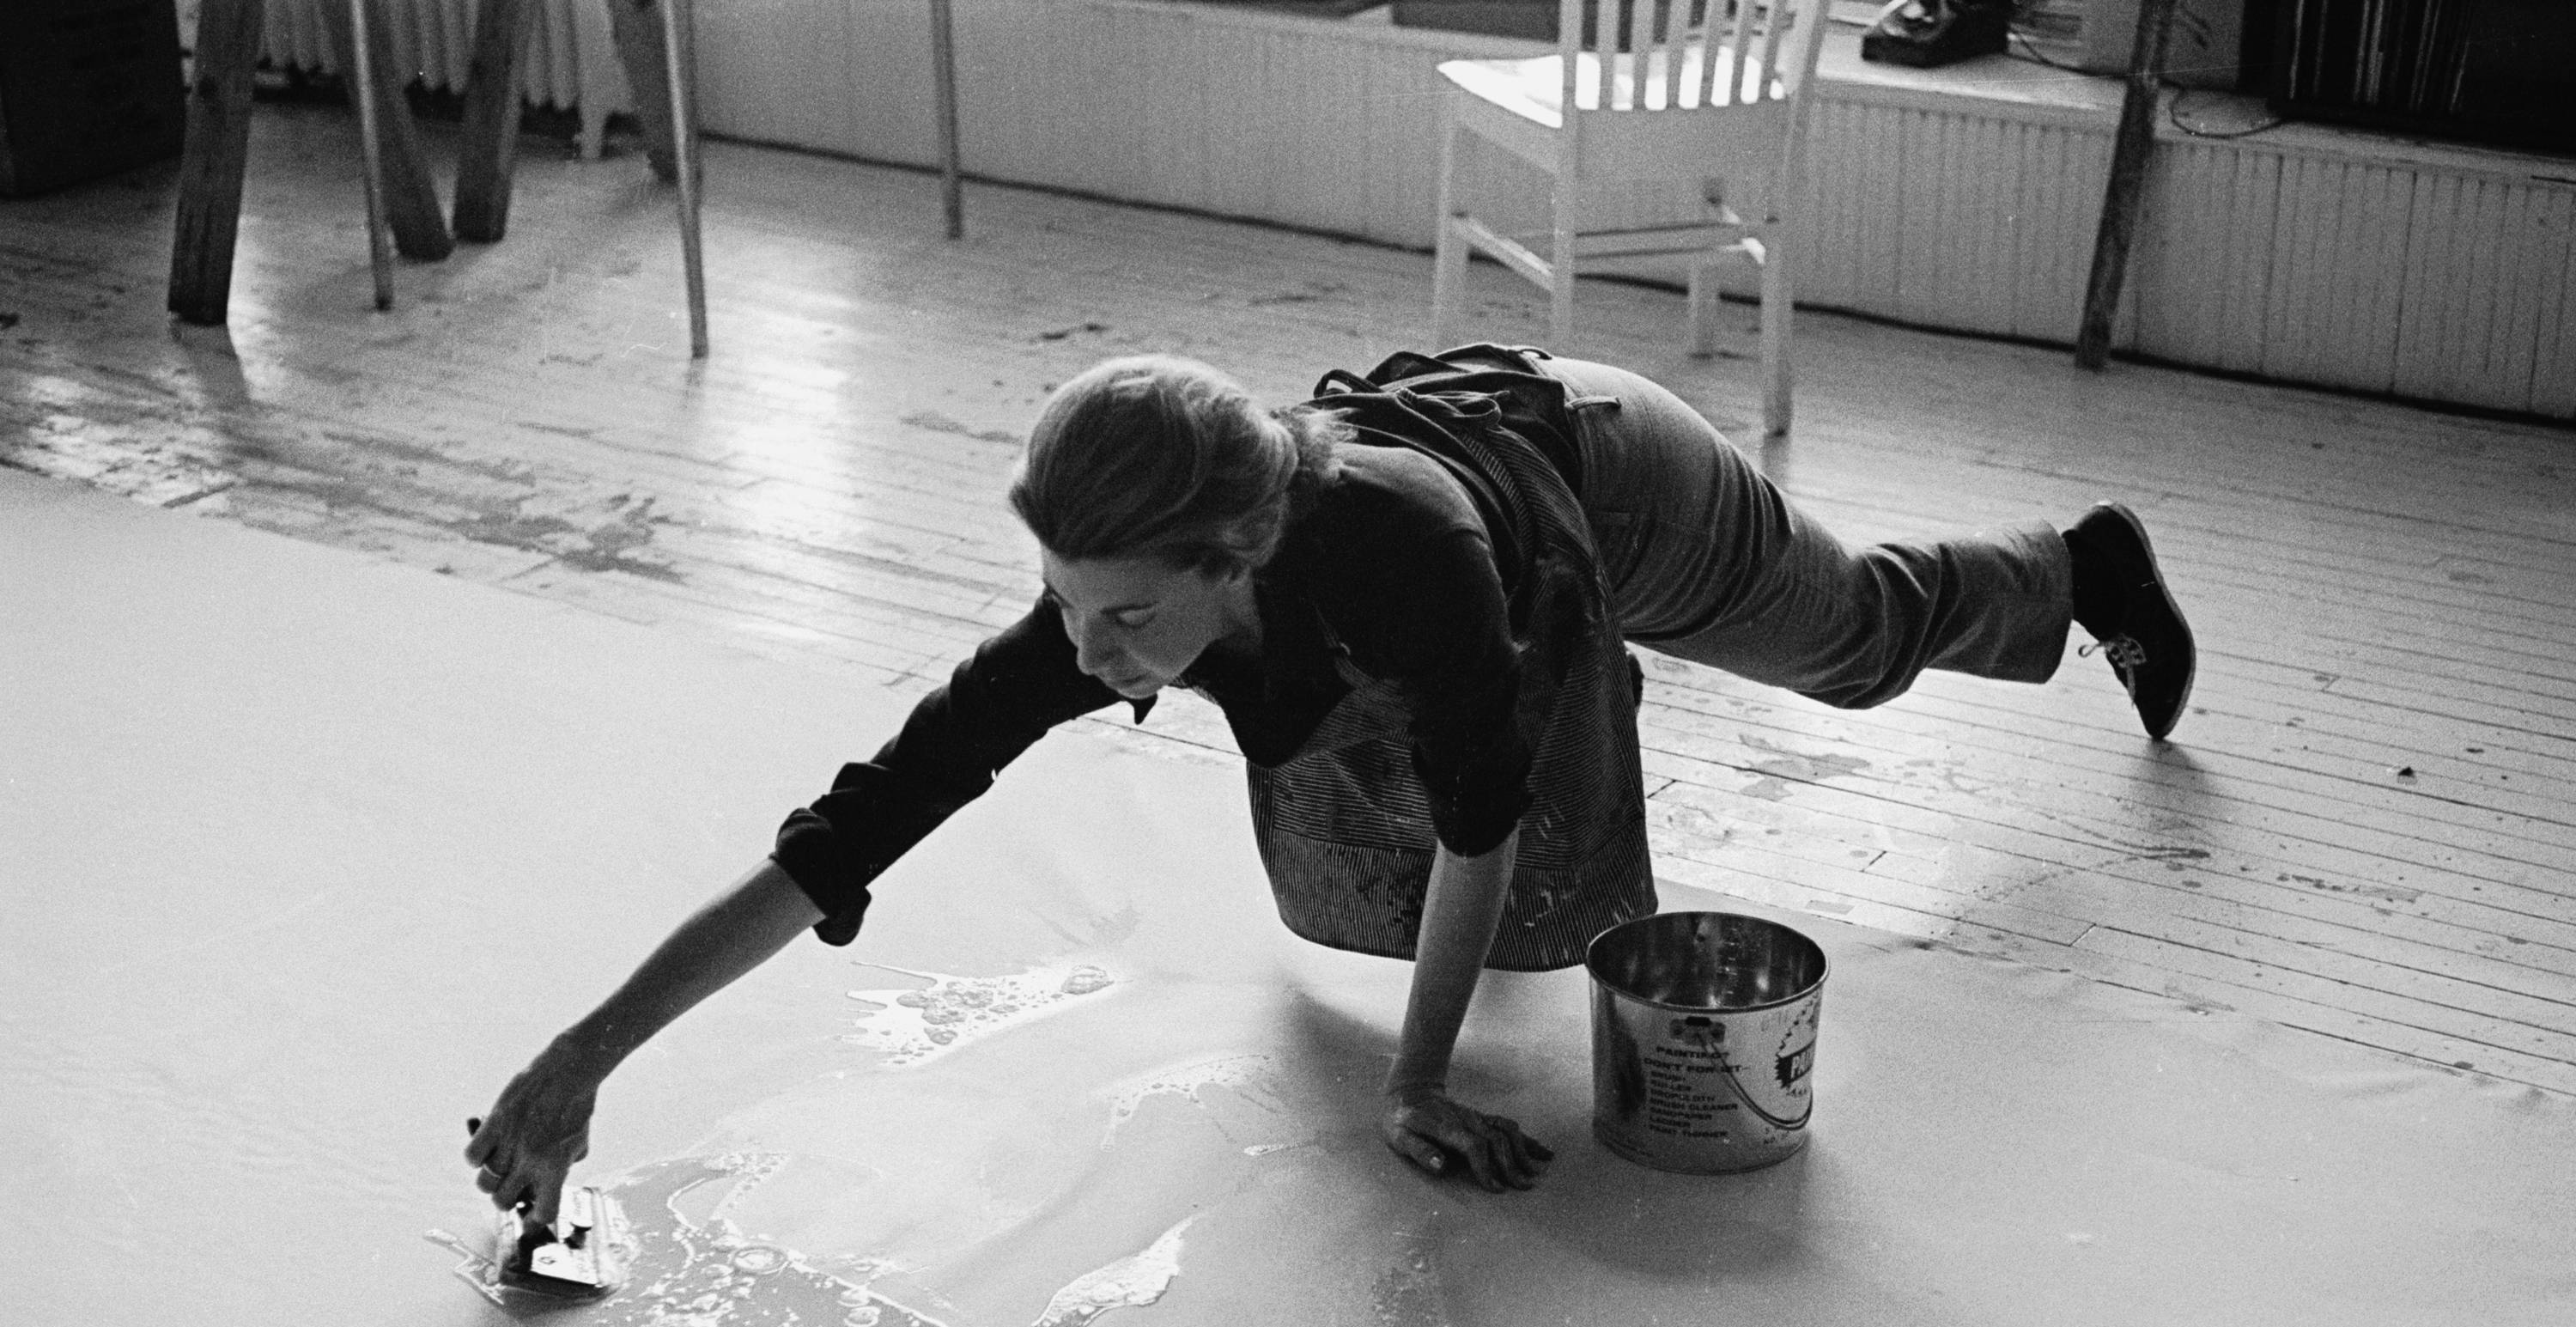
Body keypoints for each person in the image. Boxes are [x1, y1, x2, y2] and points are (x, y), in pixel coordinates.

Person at [465, 344, 2194, 1214]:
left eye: (1130, 617)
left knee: (1857, 651)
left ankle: (2081, 567)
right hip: (1440, 556)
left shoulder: (1399, 555)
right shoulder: (1124, 606)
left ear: (1242, 550)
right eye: (1067, 608)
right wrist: (578, 1059)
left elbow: (1481, 812)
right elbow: (848, 832)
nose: (1087, 655)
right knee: (1343, 796)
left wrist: (1417, 1084)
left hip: (1609, 481)